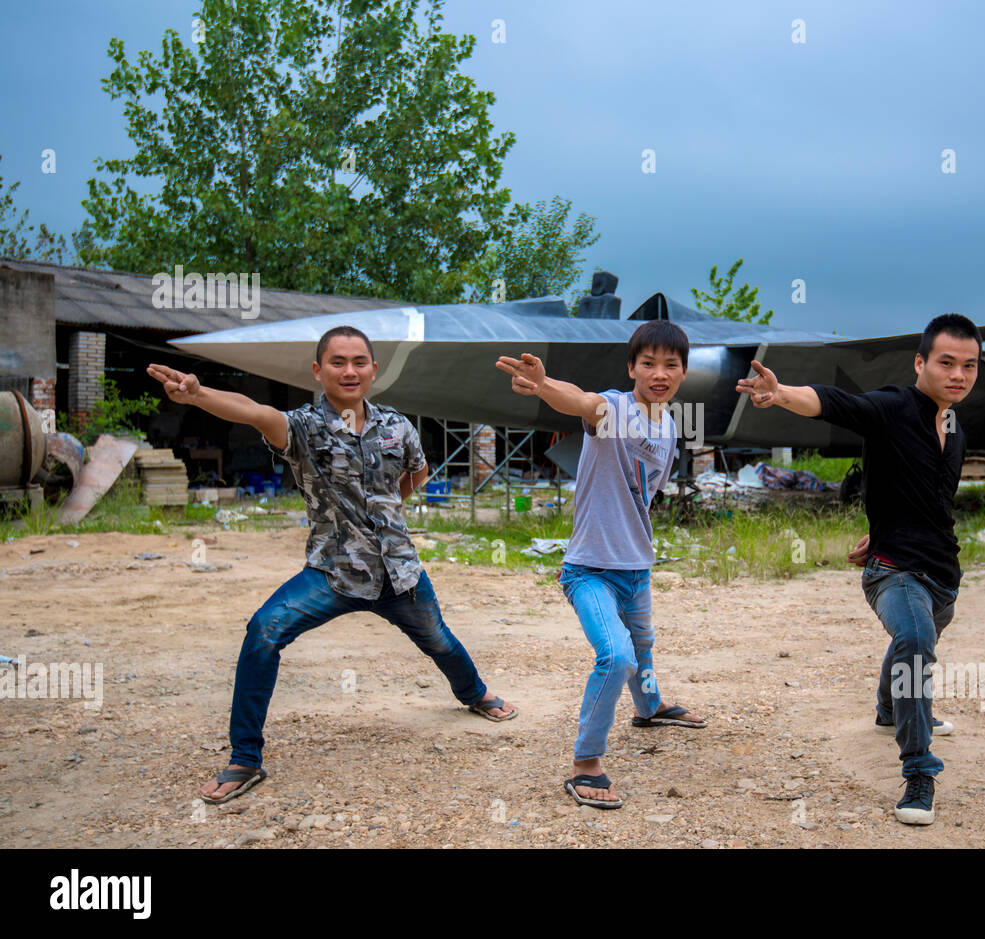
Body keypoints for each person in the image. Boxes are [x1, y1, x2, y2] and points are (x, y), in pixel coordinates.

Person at [147, 325, 515, 805]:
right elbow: (254, 411)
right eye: (337, 362)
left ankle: (475, 695)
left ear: (374, 370)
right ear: (319, 371)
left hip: (399, 572)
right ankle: (244, 759)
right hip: (332, 573)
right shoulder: (300, 426)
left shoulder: (396, 426)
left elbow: (418, 471)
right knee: (263, 631)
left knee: (439, 640)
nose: (349, 370)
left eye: (359, 361)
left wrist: (385, 512)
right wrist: (198, 396)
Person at [736, 313, 982, 825]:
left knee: (916, 640)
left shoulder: (956, 428)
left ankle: (890, 708)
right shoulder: (892, 406)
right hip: (891, 570)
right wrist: (781, 394)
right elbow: (833, 401)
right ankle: (920, 772)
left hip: (943, 572)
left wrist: (882, 522)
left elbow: (933, 498)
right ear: (921, 362)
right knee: (915, 641)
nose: (958, 374)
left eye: (969, 366)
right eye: (946, 363)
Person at [495, 320, 705, 809]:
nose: (659, 373)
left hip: (637, 566)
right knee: (617, 657)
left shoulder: (669, 426)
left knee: (643, 649)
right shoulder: (616, 409)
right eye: (648, 363)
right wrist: (545, 386)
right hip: (589, 570)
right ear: (631, 367)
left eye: (670, 365)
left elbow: (642, 495)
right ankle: (586, 763)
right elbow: (583, 401)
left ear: (683, 373)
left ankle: (650, 707)